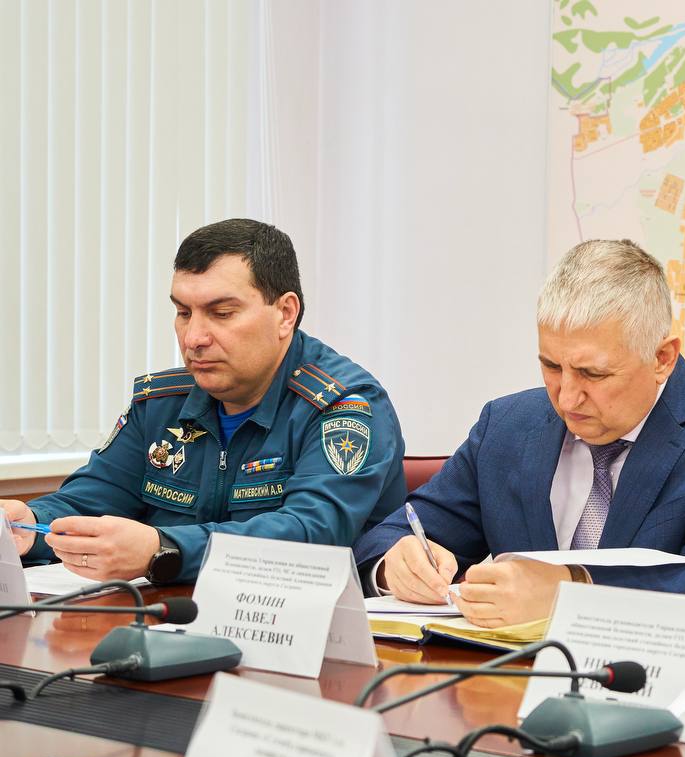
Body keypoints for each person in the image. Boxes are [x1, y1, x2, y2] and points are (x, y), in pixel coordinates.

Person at [355, 239, 685, 626]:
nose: (566, 398)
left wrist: (570, 591)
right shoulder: (507, 425)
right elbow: (387, 537)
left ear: (662, 358)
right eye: (551, 366)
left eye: (593, 374)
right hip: (508, 678)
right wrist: (395, 565)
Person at [2, 218, 406, 584]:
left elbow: (310, 535)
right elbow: (93, 499)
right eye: (183, 312)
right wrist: (30, 524)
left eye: (222, 313)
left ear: (285, 313)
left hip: (303, 629)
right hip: (169, 618)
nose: (194, 338)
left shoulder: (342, 406)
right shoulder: (161, 403)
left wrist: (163, 549)